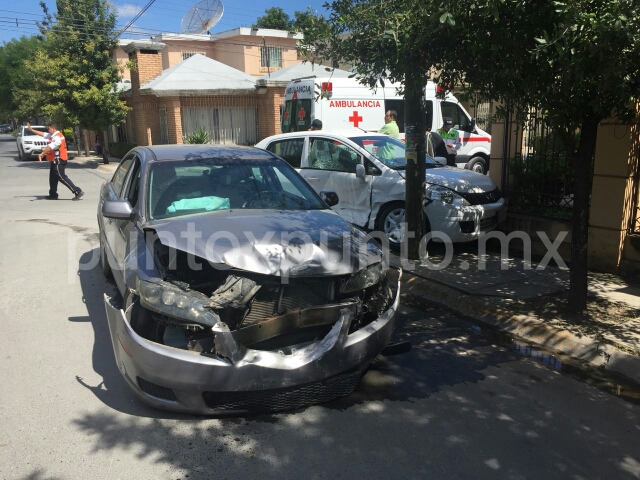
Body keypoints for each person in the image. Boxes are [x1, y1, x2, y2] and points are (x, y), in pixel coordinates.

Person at [27, 122, 84, 200]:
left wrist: (42, 153)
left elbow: (51, 146)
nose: (47, 130)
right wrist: (31, 130)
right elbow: (43, 134)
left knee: (62, 177)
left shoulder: (57, 137)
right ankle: (53, 194)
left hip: (59, 160)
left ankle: (77, 191)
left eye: (48, 128)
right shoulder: (53, 135)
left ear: (53, 128)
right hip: (55, 160)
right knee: (53, 178)